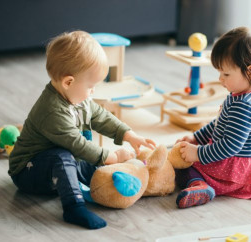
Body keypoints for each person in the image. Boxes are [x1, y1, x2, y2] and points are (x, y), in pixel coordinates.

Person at [8, 31, 156, 229]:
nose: (93, 91)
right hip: (28, 171)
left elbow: (100, 117)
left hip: (62, 160)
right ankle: (73, 207)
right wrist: (112, 156)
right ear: (68, 82)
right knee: (65, 156)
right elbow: (77, 145)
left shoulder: (79, 97)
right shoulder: (51, 111)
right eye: (91, 86)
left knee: (91, 166)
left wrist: (129, 135)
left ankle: (119, 185)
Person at [174, 27, 251, 209]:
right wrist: (197, 137)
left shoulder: (244, 104)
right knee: (186, 156)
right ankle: (202, 181)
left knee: (182, 167)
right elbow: (220, 122)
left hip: (235, 168)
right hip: (249, 165)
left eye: (226, 74)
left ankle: (201, 185)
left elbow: (230, 146)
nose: (221, 79)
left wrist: (197, 153)